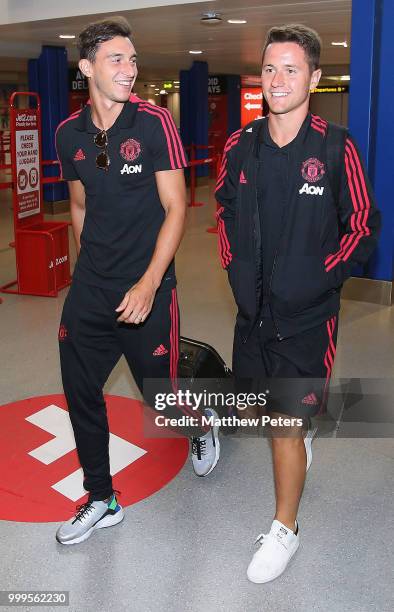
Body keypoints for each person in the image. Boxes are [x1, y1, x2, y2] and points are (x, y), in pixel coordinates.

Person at [216, 24, 381, 583]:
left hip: (308, 316)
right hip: (253, 314)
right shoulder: (240, 147)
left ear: (314, 77)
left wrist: (322, 276)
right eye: (269, 68)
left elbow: (362, 225)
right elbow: (222, 214)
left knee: (284, 424)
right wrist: (234, 268)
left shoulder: (336, 147)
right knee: (267, 412)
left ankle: (284, 528)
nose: (277, 80)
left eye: (290, 69)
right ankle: (302, 429)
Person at [55, 17, 219, 546]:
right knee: (80, 391)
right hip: (92, 289)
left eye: (132, 59)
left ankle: (200, 424)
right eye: (116, 60)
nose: (130, 69)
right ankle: (101, 498)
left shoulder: (153, 124)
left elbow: (176, 209)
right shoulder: (68, 134)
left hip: (149, 288)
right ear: (87, 68)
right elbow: (80, 206)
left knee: (160, 397)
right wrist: (90, 272)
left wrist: (149, 283)